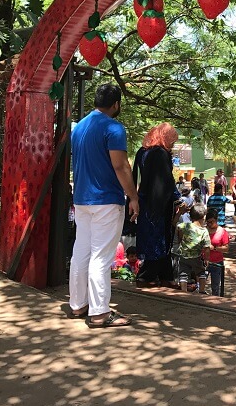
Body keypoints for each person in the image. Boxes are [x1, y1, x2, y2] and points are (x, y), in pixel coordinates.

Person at [68, 83, 139, 328]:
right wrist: (134, 197)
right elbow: (121, 167)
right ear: (116, 104)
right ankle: (99, 313)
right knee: (101, 255)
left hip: (82, 200)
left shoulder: (78, 128)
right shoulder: (113, 128)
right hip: (106, 200)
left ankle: (78, 305)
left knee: (81, 252)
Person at [134, 122, 179, 288]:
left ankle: (166, 275)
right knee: (160, 239)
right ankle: (147, 276)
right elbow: (166, 180)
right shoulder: (161, 154)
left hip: (145, 201)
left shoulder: (143, 152)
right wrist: (177, 196)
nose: (173, 144)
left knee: (156, 239)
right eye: (172, 140)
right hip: (159, 204)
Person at [176, 204, 212, 293]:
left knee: (183, 274)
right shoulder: (204, 231)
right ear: (203, 217)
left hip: (183, 255)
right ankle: (202, 291)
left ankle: (183, 291)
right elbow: (207, 247)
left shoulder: (186, 226)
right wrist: (207, 259)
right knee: (201, 273)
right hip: (196, 256)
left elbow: (175, 225)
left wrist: (180, 212)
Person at [204, 215, 230, 296]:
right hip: (204, 262)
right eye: (207, 222)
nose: (209, 224)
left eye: (211, 222)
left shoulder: (222, 231)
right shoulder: (203, 230)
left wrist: (214, 248)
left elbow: (226, 248)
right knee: (199, 285)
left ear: (216, 220)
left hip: (217, 263)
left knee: (215, 287)